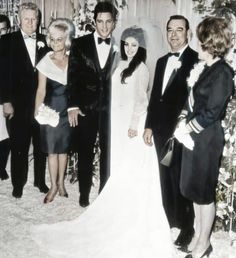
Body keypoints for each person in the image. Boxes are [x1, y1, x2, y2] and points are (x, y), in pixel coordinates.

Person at [31, 25, 173, 258]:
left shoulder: (142, 68)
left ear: (141, 47)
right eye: (126, 44)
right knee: (113, 159)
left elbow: (141, 100)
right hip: (114, 118)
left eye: (134, 45)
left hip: (129, 123)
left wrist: (133, 123)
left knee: (127, 163)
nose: (129, 48)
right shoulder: (120, 62)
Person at [174, 17, 234, 258]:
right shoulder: (206, 67)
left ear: (210, 43)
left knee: (204, 193)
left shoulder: (223, 72)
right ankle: (200, 236)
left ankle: (204, 242)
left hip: (207, 139)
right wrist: (181, 119)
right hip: (193, 137)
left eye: (200, 40)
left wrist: (188, 127)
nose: (197, 44)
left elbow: (212, 112)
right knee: (194, 190)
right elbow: (193, 101)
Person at [143, 15, 198, 249]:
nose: (174, 34)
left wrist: (185, 126)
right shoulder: (162, 60)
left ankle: (187, 228)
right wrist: (148, 124)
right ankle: (170, 219)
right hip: (160, 129)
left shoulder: (197, 60)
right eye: (170, 30)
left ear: (188, 33)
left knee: (181, 179)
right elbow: (156, 96)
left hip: (182, 130)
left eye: (179, 30)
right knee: (164, 175)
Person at [67, 1, 119, 207]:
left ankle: (104, 194)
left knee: (108, 152)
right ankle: (83, 193)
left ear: (114, 23)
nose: (104, 27)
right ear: (94, 21)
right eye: (100, 22)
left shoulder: (122, 46)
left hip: (110, 110)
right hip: (86, 108)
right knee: (85, 152)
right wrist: (72, 106)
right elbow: (72, 77)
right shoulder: (80, 44)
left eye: (108, 22)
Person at [2, 2, 49, 198]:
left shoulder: (47, 41)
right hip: (17, 104)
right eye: (27, 19)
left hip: (41, 103)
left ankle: (40, 181)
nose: (31, 23)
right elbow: (2, 74)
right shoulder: (6, 41)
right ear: (19, 20)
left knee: (41, 144)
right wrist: (5, 101)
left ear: (38, 20)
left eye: (34, 19)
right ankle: (18, 184)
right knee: (19, 145)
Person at [34, 18, 75, 203]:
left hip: (67, 111)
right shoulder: (45, 62)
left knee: (63, 150)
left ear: (66, 39)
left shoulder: (73, 60)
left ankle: (61, 183)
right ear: (49, 39)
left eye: (60, 39)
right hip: (50, 111)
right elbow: (41, 90)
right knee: (51, 151)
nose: (56, 42)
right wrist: (37, 111)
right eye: (53, 39)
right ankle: (53, 186)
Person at [0, 14, 11, 180]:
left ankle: (1, 166)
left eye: (2, 30)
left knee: (5, 134)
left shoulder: (11, 47)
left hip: (6, 96)